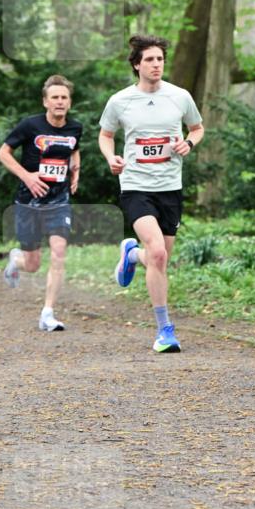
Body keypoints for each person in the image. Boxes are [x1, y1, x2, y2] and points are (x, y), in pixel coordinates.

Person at [98, 34, 204, 353]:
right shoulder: (120, 101)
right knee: (157, 253)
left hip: (170, 187)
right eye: (149, 60)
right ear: (136, 65)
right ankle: (164, 331)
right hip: (135, 186)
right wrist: (111, 157)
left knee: (160, 258)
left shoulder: (180, 96)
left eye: (160, 59)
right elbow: (106, 135)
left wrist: (189, 143)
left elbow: (197, 128)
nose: (156, 64)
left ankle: (131, 255)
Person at [0, 75, 82, 332]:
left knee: (58, 253)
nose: (59, 102)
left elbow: (73, 148)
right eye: (54, 97)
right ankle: (17, 260)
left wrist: (76, 171)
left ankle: (47, 313)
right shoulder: (29, 125)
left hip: (59, 200)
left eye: (64, 98)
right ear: (45, 101)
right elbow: (3, 153)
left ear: (69, 102)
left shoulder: (75, 128)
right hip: (28, 201)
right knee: (32, 264)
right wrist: (28, 176)